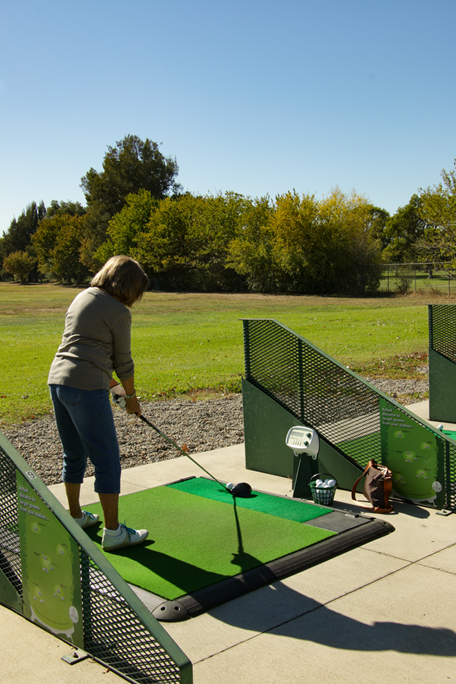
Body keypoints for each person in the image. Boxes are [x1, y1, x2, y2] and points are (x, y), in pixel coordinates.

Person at [48, 255, 149, 552]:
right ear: (129, 286)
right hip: (85, 387)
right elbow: (123, 362)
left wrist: (115, 389)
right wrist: (131, 398)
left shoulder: (82, 296)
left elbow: (85, 350)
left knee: (74, 454)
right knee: (107, 461)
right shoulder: (118, 311)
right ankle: (115, 532)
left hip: (57, 382)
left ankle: (77, 517)